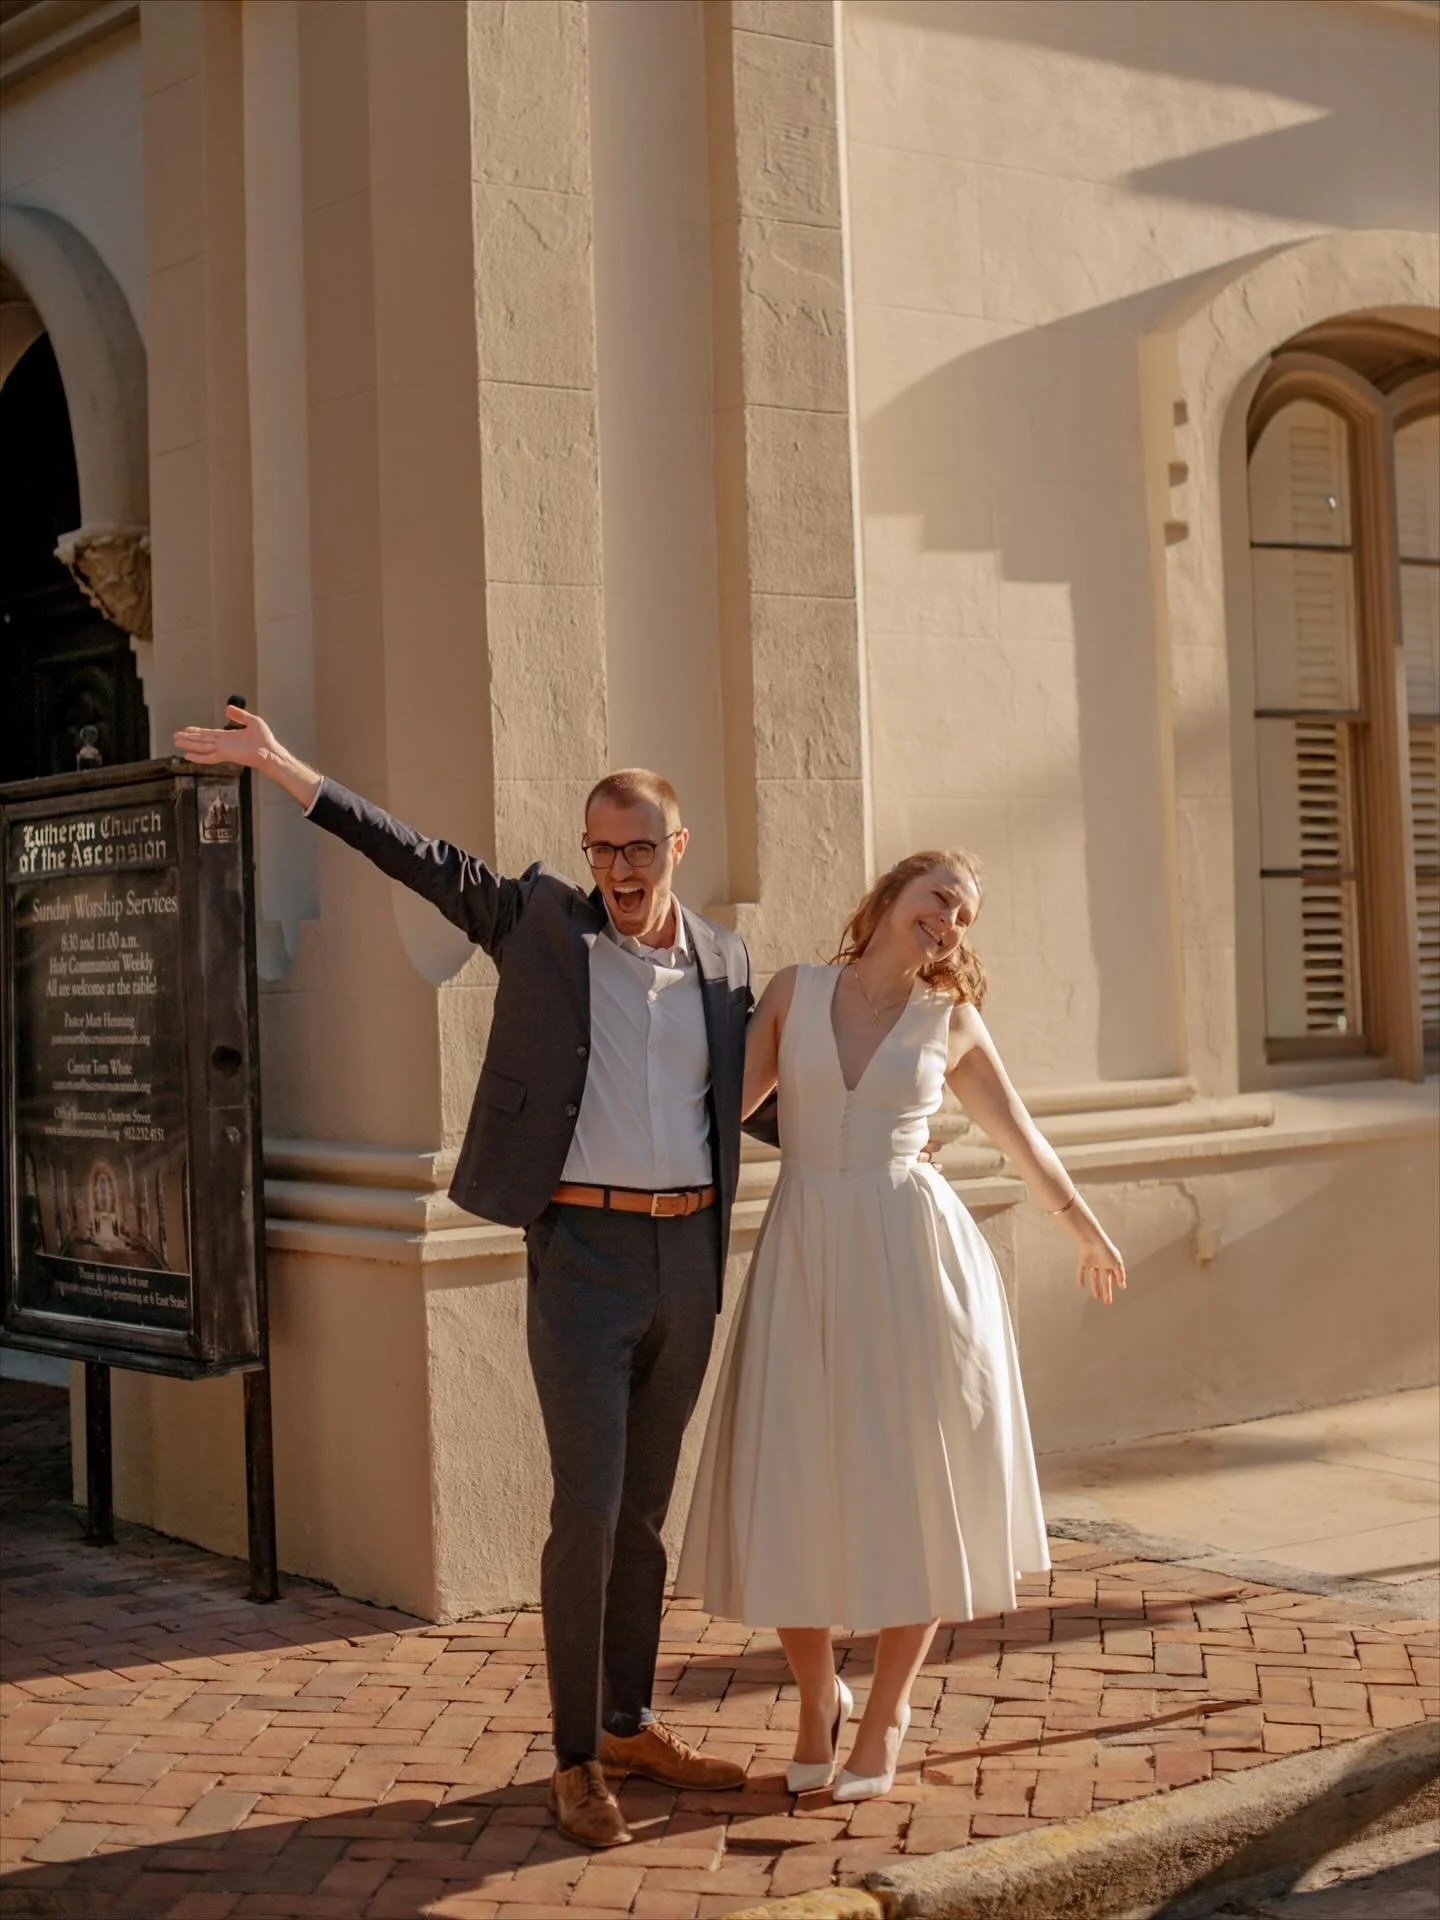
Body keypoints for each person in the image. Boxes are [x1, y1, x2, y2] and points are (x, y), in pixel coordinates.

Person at [173, 706, 765, 1849]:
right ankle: (576, 1759)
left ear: (679, 847)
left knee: (645, 1513)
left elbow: (754, 1100)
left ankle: (634, 1721)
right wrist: (284, 766)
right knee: (586, 1510)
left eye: (640, 847)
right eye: (602, 847)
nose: (620, 868)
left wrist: (885, 1131)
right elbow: (412, 853)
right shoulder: (542, 922)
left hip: (688, 1259)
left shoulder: (726, 964)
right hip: (583, 1259)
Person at [676, 849, 1125, 1802]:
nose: (951, 920)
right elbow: (714, 1115)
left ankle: (884, 1716)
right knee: (793, 1477)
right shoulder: (795, 992)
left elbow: (1021, 1137)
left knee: (918, 1485)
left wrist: (1082, 1225)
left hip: (913, 1259)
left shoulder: (949, 1021)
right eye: (939, 898)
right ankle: (814, 1703)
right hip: (803, 1251)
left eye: (966, 913)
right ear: (888, 899)